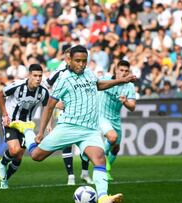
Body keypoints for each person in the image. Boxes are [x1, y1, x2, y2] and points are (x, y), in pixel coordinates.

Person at [20, 45, 135, 203]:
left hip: (90, 129)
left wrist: (120, 80)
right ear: (69, 60)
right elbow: (50, 105)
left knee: (99, 158)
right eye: (78, 61)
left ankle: (103, 197)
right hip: (68, 127)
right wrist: (40, 132)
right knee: (36, 156)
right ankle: (27, 130)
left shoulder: (88, 73)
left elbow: (98, 85)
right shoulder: (64, 78)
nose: (81, 64)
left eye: (84, 61)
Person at [45, 47, 93, 185]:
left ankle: (85, 173)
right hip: (65, 113)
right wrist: (56, 103)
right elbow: (44, 87)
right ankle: (71, 176)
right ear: (67, 58)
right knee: (67, 144)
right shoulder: (60, 72)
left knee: (85, 143)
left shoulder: (85, 72)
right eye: (68, 56)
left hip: (82, 112)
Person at [0, 64, 49, 189]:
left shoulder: (43, 91)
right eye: (35, 76)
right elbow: (0, 94)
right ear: (29, 75)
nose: (38, 79)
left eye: (40, 76)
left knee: (19, 156)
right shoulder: (17, 86)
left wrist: (49, 125)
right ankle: (3, 163)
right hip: (11, 122)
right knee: (14, 150)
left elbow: (48, 108)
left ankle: (5, 181)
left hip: (26, 125)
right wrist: (4, 114)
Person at [99, 60, 136, 181]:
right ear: (116, 70)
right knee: (112, 137)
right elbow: (96, 86)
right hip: (101, 116)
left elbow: (132, 107)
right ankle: (103, 163)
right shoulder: (106, 79)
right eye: (121, 70)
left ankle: (106, 170)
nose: (124, 73)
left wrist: (125, 101)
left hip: (115, 118)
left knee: (116, 148)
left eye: (126, 71)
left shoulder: (129, 86)